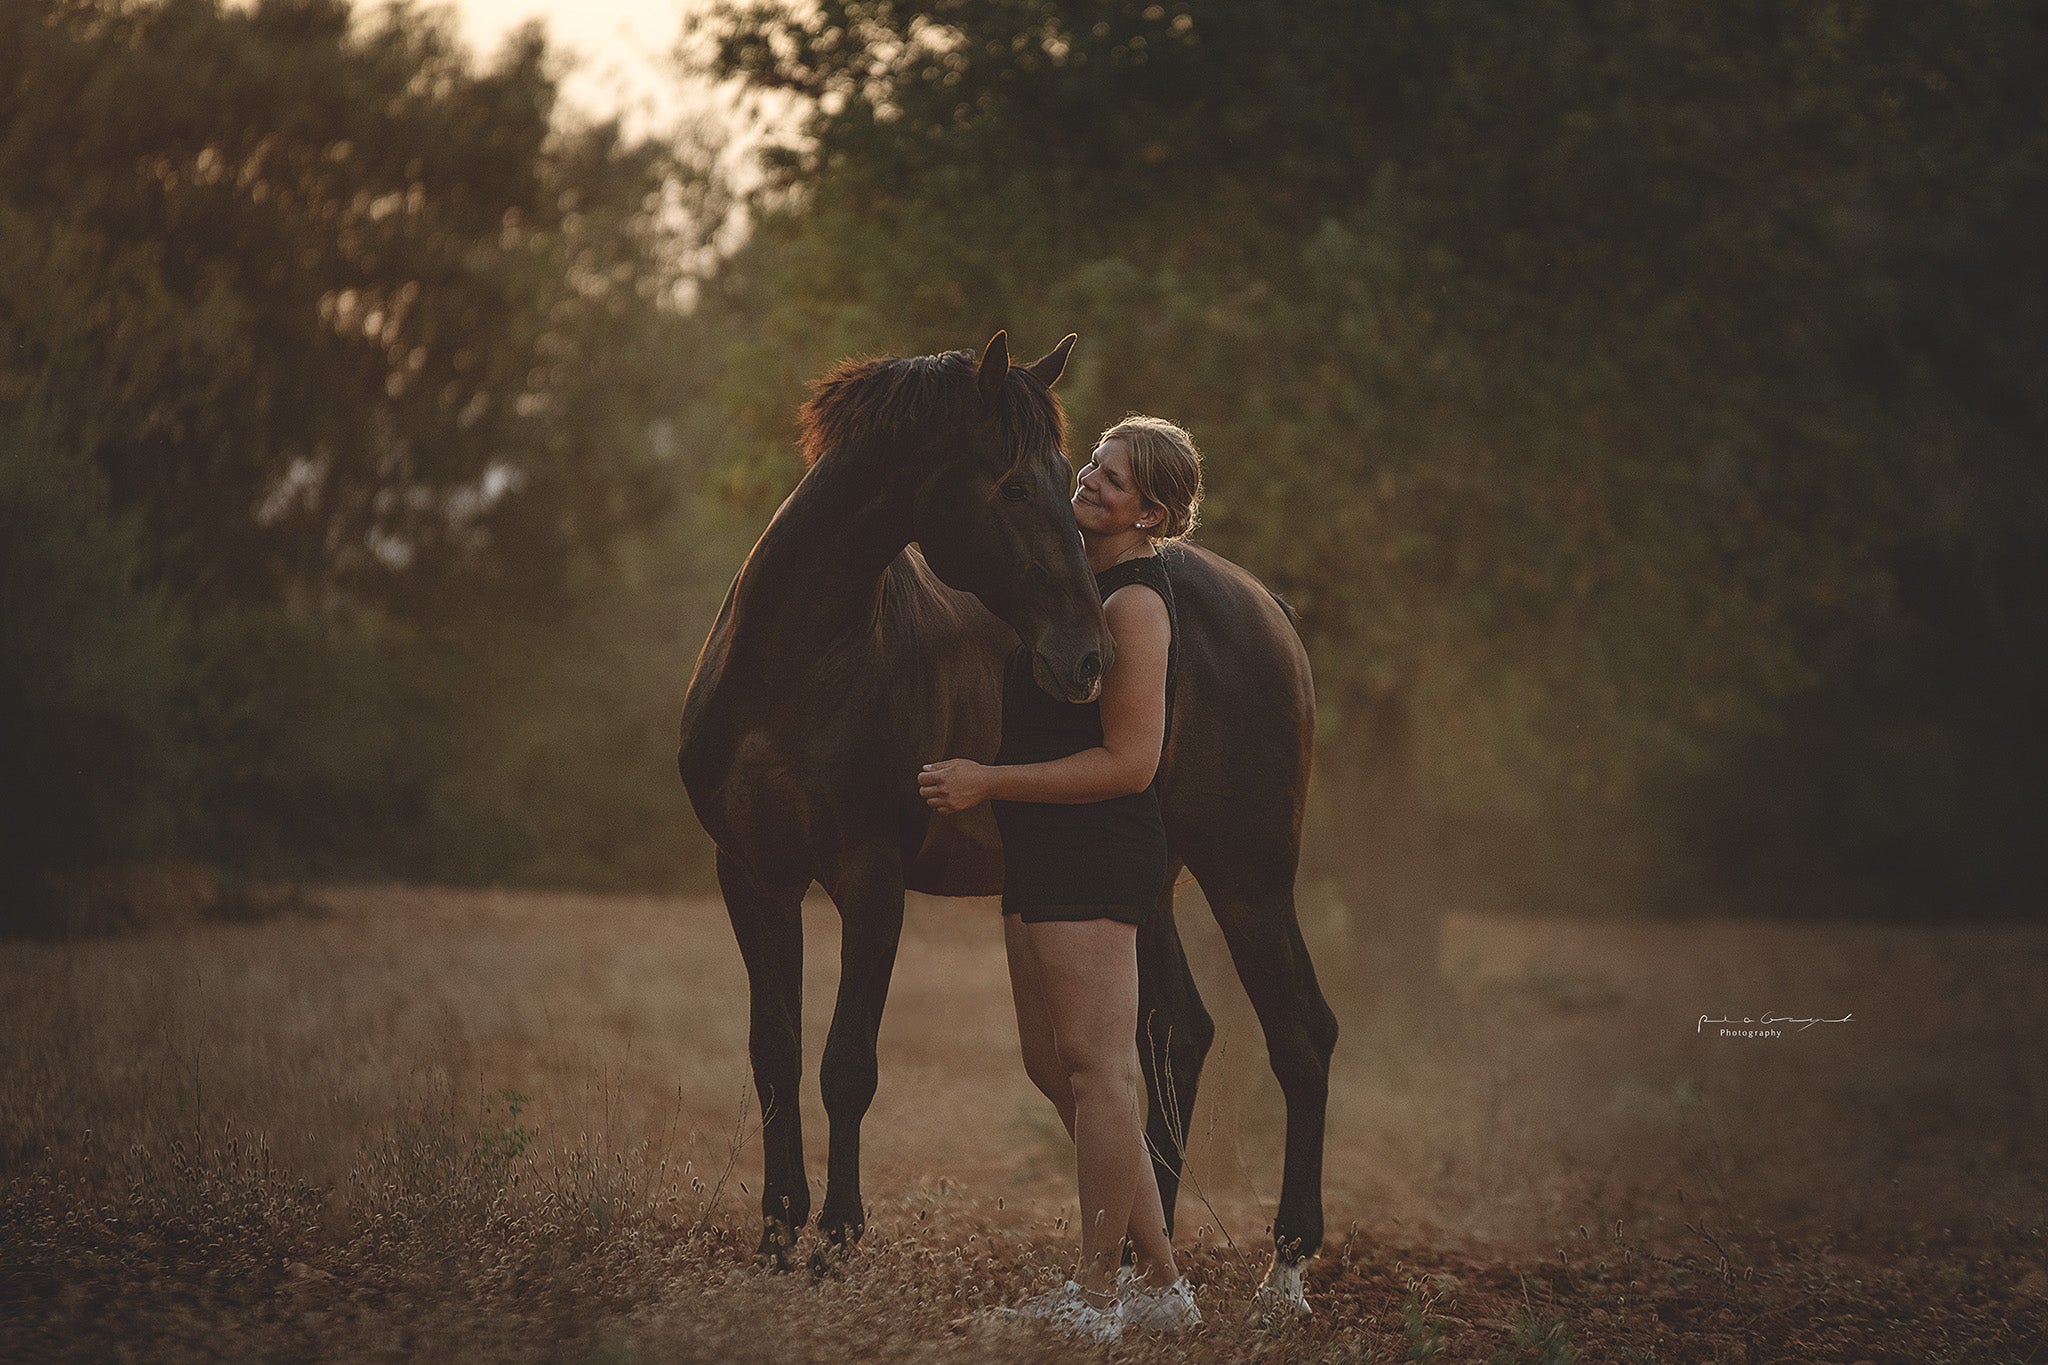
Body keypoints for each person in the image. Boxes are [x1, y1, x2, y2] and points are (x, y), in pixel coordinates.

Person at [919, 415, 1204, 1342]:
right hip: (1042, 848)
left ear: (1150, 512)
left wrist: (988, 781)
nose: (1089, 481)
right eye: (1092, 464)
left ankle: (1095, 1296)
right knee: (1056, 1064)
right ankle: (1162, 1282)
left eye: (1113, 479)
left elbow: (1131, 762)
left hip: (1098, 848)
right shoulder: (1074, 578)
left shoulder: (1136, 605)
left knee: (1100, 1069)